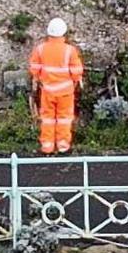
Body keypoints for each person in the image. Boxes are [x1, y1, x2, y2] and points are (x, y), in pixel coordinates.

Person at [27, 17, 84, 154]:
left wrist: (37, 79)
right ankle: (63, 146)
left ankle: (47, 146)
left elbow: (34, 68)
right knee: (64, 119)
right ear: (64, 33)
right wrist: (77, 80)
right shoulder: (70, 50)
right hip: (65, 91)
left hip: (47, 90)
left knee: (47, 119)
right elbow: (76, 71)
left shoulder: (40, 49)